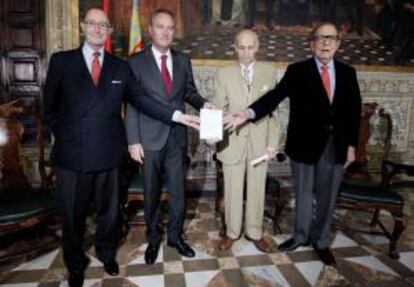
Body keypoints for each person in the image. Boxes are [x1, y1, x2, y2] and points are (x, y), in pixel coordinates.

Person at [43, 7, 199, 287]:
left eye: (104, 25)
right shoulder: (62, 61)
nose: (98, 29)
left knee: (110, 212)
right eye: (92, 23)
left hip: (109, 152)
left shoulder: (119, 66)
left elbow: (140, 100)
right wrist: (64, 136)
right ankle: (75, 265)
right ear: (83, 27)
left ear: (110, 31)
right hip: (71, 155)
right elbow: (49, 108)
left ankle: (106, 254)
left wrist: (177, 115)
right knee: (72, 216)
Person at [226, 22, 362, 266]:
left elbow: (354, 111)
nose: (325, 42)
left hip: (336, 145)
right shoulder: (297, 70)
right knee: (302, 193)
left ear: (338, 44)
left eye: (330, 38)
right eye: (320, 38)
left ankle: (321, 242)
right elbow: (274, 97)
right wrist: (248, 113)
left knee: (328, 196)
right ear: (311, 44)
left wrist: (352, 144)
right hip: (304, 144)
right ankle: (299, 236)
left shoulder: (348, 73)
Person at [125, 8, 214, 265]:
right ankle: (153, 238)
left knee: (178, 191)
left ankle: (175, 236)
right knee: (151, 193)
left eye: (170, 28)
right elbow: (131, 104)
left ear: (174, 32)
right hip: (148, 138)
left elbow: (190, 92)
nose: (165, 32)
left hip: (177, 138)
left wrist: (203, 104)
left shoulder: (183, 60)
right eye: (160, 27)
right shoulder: (135, 62)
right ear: (150, 30)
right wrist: (133, 140)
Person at [213, 29, 281, 252]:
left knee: (257, 189)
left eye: (250, 47)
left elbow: (274, 113)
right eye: (241, 47)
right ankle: (232, 232)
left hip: (260, 143)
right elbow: (217, 109)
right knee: (232, 190)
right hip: (232, 142)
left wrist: (273, 144)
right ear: (235, 48)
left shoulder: (270, 72)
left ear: (257, 48)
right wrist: (219, 126)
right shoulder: (223, 74)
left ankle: (254, 232)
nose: (246, 52)